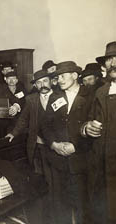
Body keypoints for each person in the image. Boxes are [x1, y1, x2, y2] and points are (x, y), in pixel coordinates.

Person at [41, 61, 92, 224]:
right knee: (60, 205)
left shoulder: (90, 95)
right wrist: (54, 145)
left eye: (63, 76)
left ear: (75, 76)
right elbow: (45, 126)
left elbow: (97, 127)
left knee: (83, 204)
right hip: (58, 161)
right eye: (57, 77)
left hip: (82, 160)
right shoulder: (55, 97)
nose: (60, 80)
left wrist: (76, 146)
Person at [6, 69, 58, 223]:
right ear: (35, 85)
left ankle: (55, 212)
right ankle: (41, 214)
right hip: (36, 146)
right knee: (38, 179)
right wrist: (13, 133)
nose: (42, 85)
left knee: (54, 179)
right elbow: (23, 119)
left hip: (54, 147)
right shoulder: (31, 99)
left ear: (51, 82)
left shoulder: (59, 97)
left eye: (45, 81)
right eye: (39, 82)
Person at [83, 41, 116, 224]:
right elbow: (89, 120)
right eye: (109, 60)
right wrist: (87, 127)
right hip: (102, 166)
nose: (113, 64)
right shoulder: (101, 92)